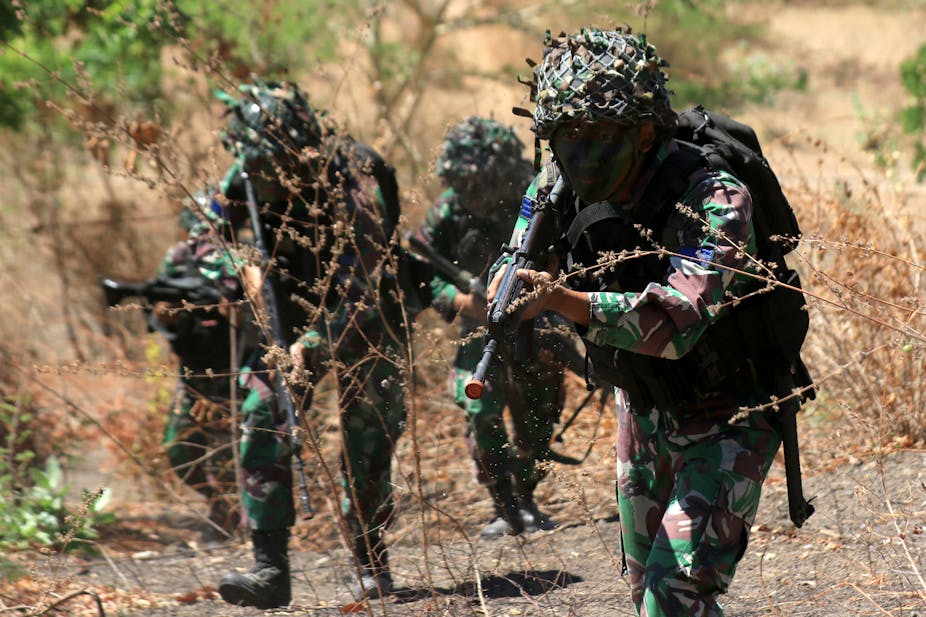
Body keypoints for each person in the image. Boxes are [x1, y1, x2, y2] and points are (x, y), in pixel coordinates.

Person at [488, 27, 809, 615]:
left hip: (732, 413)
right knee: (648, 595)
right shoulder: (555, 189)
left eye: (599, 137)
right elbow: (515, 259)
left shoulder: (715, 195)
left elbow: (676, 322)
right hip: (642, 410)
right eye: (564, 138)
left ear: (642, 133)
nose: (580, 156)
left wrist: (562, 301)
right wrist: (509, 289)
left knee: (673, 594)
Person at [213, 80, 418, 607]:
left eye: (273, 168)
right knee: (262, 410)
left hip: (366, 320)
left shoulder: (353, 191)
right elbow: (204, 231)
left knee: (366, 440)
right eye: (254, 168)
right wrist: (242, 268)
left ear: (300, 153)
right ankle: (270, 571)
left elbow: (361, 294)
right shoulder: (249, 172)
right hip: (291, 315)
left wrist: (310, 345)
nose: (262, 179)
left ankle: (372, 563)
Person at [412, 117, 566, 538]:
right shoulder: (448, 209)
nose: (477, 198)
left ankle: (527, 496)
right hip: (481, 331)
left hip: (538, 324)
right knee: (480, 410)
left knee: (537, 414)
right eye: (468, 189)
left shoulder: (533, 197)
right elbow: (422, 271)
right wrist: (462, 301)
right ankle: (504, 504)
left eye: (484, 188)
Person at [149, 192, 255, 542]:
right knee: (178, 448)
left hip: (232, 369)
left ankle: (231, 520)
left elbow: (260, 310)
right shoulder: (179, 257)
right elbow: (159, 305)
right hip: (193, 370)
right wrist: (171, 316)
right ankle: (219, 503)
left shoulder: (241, 259)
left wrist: (231, 307)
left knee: (227, 451)